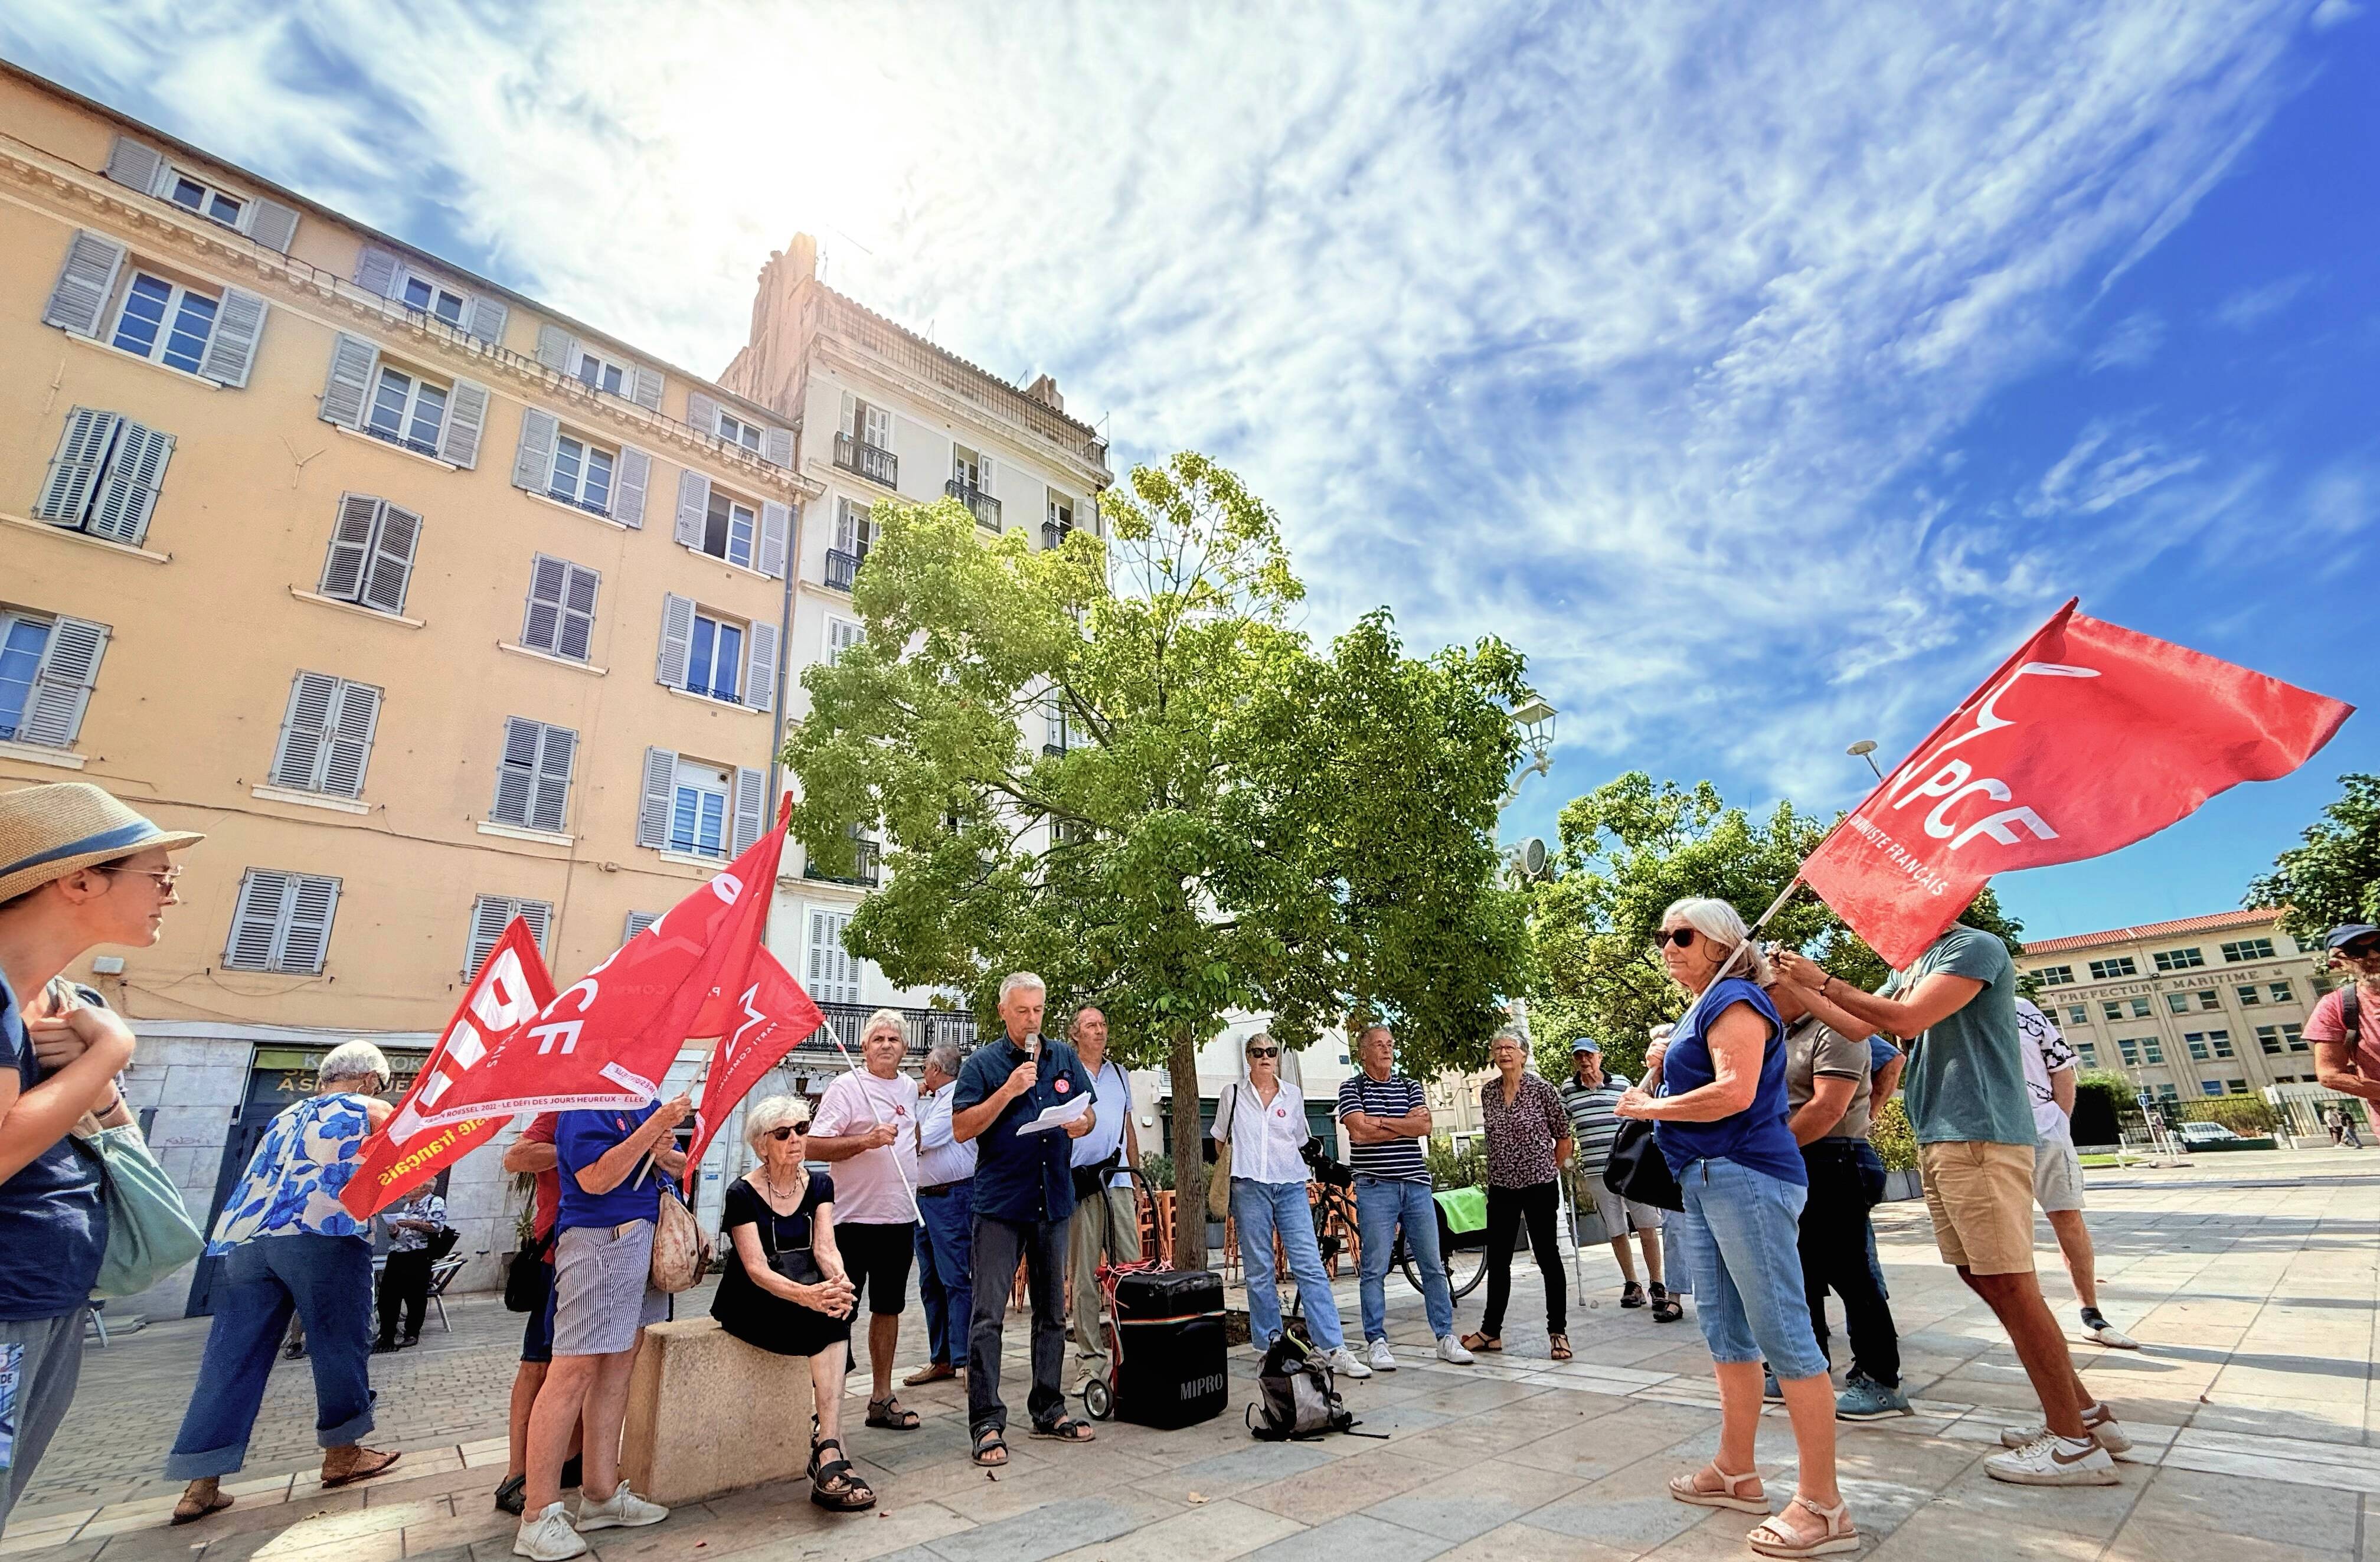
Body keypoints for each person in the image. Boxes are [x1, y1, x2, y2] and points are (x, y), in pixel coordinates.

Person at [1776, 926, 2123, 1485]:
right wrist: (1804, 984)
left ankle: (2072, 1443)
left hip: (1979, 1135)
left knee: (2010, 1282)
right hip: (1944, 1135)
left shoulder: (1971, 947)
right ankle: (2083, 1414)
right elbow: (1862, 1024)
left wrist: (1823, 980)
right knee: (1980, 1276)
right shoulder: (1918, 958)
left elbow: (1906, 1021)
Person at [1616, 899, 1855, 1558]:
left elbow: (1736, 1093)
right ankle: (1736, 1470)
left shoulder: (1738, 1000)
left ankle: (1823, 1505)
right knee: (1726, 1332)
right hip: (1708, 1180)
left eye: (1682, 935)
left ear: (1722, 944)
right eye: (1662, 934)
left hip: (1744, 1176)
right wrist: (1669, 1058)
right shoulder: (1707, 1007)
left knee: (1784, 1332)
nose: (1668, 944)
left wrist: (1648, 1103)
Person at [0, 783, 200, 1536]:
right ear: (79, 880)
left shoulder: (60, 1000)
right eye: (160, 878)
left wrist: (100, 1084)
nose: (170, 898)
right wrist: (112, 1050)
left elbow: (102, 1135)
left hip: (48, 1291)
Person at [166, 1042, 405, 1524]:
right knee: (339, 1342)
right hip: (323, 1231)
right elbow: (403, 1176)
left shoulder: (284, 1115)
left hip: (248, 1239)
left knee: (230, 1357)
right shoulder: (375, 1109)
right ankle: (343, 1454)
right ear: (368, 1080)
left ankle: (201, 1483)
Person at [514, 1090, 690, 1561]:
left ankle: (600, 1493)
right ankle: (539, 1514)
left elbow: (673, 1164)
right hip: (600, 1243)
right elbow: (594, 1179)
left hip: (638, 1240)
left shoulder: (643, 1099)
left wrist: (663, 1146)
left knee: (617, 1370)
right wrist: (652, 1131)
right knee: (571, 1374)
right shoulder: (585, 1101)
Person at [952, 972, 1100, 1466]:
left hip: (1053, 1199)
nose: (1032, 1019)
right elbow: (961, 1127)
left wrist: (1083, 1122)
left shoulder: (1061, 1057)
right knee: (988, 1315)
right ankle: (987, 1422)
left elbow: (1089, 1112)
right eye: (1022, 1011)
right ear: (1003, 1013)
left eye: (1038, 1010)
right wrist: (1009, 1092)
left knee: (1051, 1314)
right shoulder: (984, 1064)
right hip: (1000, 1205)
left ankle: (1048, 1407)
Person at [710, 1096, 872, 1511]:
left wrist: (838, 1282)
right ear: (762, 1144)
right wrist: (809, 1296)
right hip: (753, 1299)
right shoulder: (741, 1192)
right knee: (824, 1317)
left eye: (802, 1128)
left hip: (804, 1286)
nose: (797, 1139)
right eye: (783, 1133)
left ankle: (829, 1448)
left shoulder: (819, 1184)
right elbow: (756, 1268)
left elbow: (826, 1247)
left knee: (838, 1312)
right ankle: (831, 1452)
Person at [1764, 976, 1908, 1419]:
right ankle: (1806, 1366)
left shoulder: (1838, 1029)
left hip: (1834, 1161)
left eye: (1767, 988)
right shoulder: (1784, 1035)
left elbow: (1827, 1108)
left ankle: (1880, 1378)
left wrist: (1771, 1153)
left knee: (1853, 1275)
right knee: (1800, 1273)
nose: (1761, 997)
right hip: (1799, 1160)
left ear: (1791, 986)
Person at [1214, 1031, 1369, 1377]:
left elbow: (1300, 1140)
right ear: (1248, 1057)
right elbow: (1220, 1142)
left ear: (1278, 1056)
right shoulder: (1233, 1094)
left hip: (1290, 1186)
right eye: (1257, 1052)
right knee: (1259, 1271)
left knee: (1309, 1266)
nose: (1265, 1057)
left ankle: (1333, 1346)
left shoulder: (1293, 1095)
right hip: (1249, 1187)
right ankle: (1268, 1348)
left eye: (1271, 1051)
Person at [808, 1010, 923, 1432]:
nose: (887, 1045)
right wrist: (865, 1141)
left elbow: (913, 1137)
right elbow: (813, 1147)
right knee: (840, 1313)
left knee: (889, 1310)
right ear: (864, 1047)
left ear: (905, 1049)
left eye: (894, 1039)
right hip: (851, 1223)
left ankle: (881, 1397)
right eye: (878, 1039)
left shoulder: (910, 1088)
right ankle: (825, 1413)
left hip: (899, 1219)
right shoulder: (845, 1087)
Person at [1337, 1024, 1475, 1370]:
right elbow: (1358, 1132)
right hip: (1375, 1187)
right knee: (1374, 1267)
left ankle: (1445, 1337)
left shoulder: (1410, 1086)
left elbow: (1424, 1127)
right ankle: (1377, 1342)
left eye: (1390, 1044)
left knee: (1433, 1264)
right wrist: (1401, 1123)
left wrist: (1380, 1122)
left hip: (1416, 1186)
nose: (1387, 1050)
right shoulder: (1350, 1087)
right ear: (1363, 1053)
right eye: (1379, 1045)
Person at [2015, 998, 2136, 1350]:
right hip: (1992, 1137)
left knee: (2067, 1218)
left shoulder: (2022, 1008)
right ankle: (2031, 1316)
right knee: (2011, 1227)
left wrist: (2059, 1125)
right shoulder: (1943, 1007)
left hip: (2044, 1132)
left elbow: (2061, 1067)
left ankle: (2091, 1314)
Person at [1463, 1025, 1573, 1360]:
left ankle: (1558, 1332)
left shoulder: (1543, 1090)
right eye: (1498, 1048)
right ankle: (1490, 1331)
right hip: (1501, 1186)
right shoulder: (1489, 1092)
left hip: (1539, 1184)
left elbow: (1563, 1137)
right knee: (1498, 1260)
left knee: (1547, 1257)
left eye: (1510, 1047)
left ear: (1524, 1054)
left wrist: (1550, 1169)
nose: (1504, 1053)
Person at [1559, 1036, 1679, 1322]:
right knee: (1616, 1230)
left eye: (1589, 1055)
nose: (1585, 1061)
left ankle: (1657, 1283)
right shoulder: (1568, 1090)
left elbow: (1638, 1117)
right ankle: (1632, 1284)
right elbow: (1563, 1127)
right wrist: (1564, 1154)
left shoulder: (1621, 1083)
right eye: (1579, 1057)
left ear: (1600, 1057)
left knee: (1647, 1225)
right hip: (1597, 1169)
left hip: (1630, 1167)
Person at [1066, 1005, 1145, 1392]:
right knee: (1084, 1276)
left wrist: (1136, 1178)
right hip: (1080, 1185)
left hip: (1118, 1180)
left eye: (1102, 1025)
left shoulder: (1119, 1074)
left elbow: (1129, 1126)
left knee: (1129, 1271)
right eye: (1090, 1026)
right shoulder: (1065, 1072)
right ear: (1075, 1034)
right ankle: (1090, 1361)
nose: (1099, 1032)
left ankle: (1133, 1352)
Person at [906, 1043, 976, 1387]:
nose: (921, 1073)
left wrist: (901, 1099)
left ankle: (964, 1358)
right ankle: (942, 1358)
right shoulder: (933, 1099)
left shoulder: (953, 1099)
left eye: (924, 1068)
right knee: (930, 1281)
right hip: (925, 1199)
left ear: (936, 1070)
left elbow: (920, 1139)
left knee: (955, 1279)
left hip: (953, 1197)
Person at [2309, 924, 2380, 1147]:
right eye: (2357, 952)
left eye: (2379, 945)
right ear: (2338, 961)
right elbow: (2329, 1075)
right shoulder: (2337, 1006)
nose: (2375, 955)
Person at [374, 1180, 446, 1352]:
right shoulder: (408, 1206)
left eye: (411, 1186)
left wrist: (412, 1224)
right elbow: (401, 1234)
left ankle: (412, 1333)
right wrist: (395, 1231)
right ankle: (386, 1335)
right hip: (398, 1253)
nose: (406, 1189)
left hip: (419, 1255)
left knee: (415, 1297)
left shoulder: (435, 1202)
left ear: (424, 1188)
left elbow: (437, 1227)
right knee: (388, 1297)